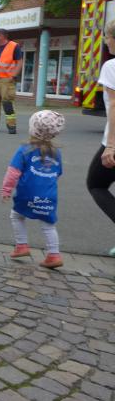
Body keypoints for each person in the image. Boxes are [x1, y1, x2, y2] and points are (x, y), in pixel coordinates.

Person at [1, 110, 65, 268]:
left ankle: (21, 245)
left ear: (33, 128)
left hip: (27, 194)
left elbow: (13, 172)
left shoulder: (25, 149)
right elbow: (58, 172)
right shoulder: (56, 153)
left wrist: (6, 190)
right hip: (49, 195)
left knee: (16, 216)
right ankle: (54, 255)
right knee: (48, 224)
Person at [87, 19, 115, 257]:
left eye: (107, 36)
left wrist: (111, 145)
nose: (105, 41)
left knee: (96, 183)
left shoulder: (111, 67)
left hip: (114, 141)